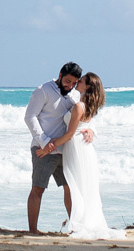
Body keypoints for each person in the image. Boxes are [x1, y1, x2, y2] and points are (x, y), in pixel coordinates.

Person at [36, 73, 126, 240]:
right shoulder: (87, 105)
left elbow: (70, 134)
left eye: (82, 81)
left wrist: (48, 148)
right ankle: (80, 223)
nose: (78, 82)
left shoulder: (79, 106)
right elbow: (83, 126)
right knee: (80, 187)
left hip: (76, 147)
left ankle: (79, 224)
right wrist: (90, 130)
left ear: (88, 87)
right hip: (82, 148)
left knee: (76, 187)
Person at [24, 63, 93, 234]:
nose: (70, 86)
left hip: (66, 151)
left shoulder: (75, 96)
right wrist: (44, 142)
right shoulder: (43, 90)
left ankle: (74, 227)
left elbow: (82, 118)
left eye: (74, 83)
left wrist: (91, 130)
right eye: (68, 81)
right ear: (60, 74)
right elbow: (29, 117)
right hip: (43, 150)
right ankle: (33, 230)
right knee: (38, 188)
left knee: (70, 188)